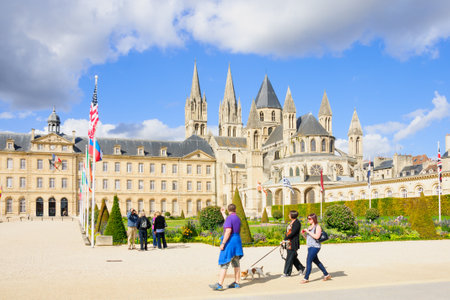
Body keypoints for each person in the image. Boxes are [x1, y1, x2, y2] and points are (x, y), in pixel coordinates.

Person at [209, 204, 244, 291]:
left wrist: (223, 243)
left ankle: (219, 284)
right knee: (236, 263)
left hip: (230, 242)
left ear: (229, 210)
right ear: (235, 209)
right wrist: (223, 214)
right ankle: (236, 283)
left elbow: (228, 231)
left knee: (224, 263)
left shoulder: (229, 218)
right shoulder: (237, 218)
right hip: (237, 242)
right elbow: (229, 221)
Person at [300, 213, 331, 283]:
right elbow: (308, 239)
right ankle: (326, 274)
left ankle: (306, 278)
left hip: (315, 246)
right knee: (316, 261)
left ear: (314, 219)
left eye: (309, 219)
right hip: (310, 246)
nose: (308, 220)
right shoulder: (310, 227)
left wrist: (308, 231)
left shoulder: (317, 227)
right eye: (307, 218)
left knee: (308, 260)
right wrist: (304, 234)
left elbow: (317, 237)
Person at [281, 210, 305, 277]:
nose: (288, 215)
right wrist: (284, 240)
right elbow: (288, 232)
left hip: (293, 243)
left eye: (289, 214)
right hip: (288, 242)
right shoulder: (291, 222)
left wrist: (285, 239)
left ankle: (287, 273)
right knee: (293, 257)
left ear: (292, 215)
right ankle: (302, 268)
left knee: (289, 258)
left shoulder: (297, 223)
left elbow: (293, 233)